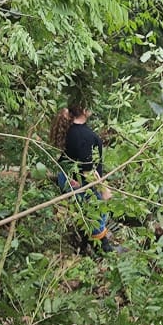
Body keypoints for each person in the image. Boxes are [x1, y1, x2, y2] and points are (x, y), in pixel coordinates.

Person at [55, 105, 120, 253]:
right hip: (78, 181)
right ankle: (105, 251)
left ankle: (84, 247)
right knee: (96, 210)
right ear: (84, 110)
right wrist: (104, 190)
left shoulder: (72, 128)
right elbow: (87, 169)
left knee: (85, 213)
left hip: (68, 177)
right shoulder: (85, 135)